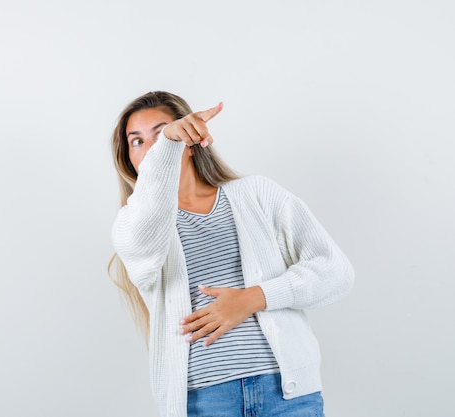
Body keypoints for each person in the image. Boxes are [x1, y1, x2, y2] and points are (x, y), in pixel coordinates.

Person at [109, 91, 354, 417]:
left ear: (193, 138)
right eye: (137, 141)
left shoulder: (257, 193)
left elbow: (336, 272)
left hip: (287, 394)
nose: (152, 148)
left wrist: (255, 297)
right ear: (128, 156)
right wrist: (168, 144)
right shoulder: (132, 224)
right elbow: (150, 215)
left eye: (162, 133)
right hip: (206, 402)